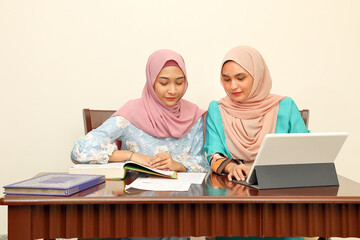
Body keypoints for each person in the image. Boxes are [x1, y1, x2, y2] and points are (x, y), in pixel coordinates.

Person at [71, 49, 210, 174]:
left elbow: (205, 163)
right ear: (151, 81)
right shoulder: (131, 113)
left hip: (183, 198)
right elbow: (80, 151)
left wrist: (179, 165)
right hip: (135, 196)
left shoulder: (194, 116)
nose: (172, 90)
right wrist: (131, 156)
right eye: (163, 83)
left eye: (179, 83)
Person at [204, 45, 309, 184]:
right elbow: (213, 153)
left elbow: (305, 150)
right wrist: (231, 167)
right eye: (227, 79)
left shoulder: (284, 106)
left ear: (258, 76)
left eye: (240, 78)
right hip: (233, 190)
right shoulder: (217, 109)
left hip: (279, 188)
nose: (233, 86)